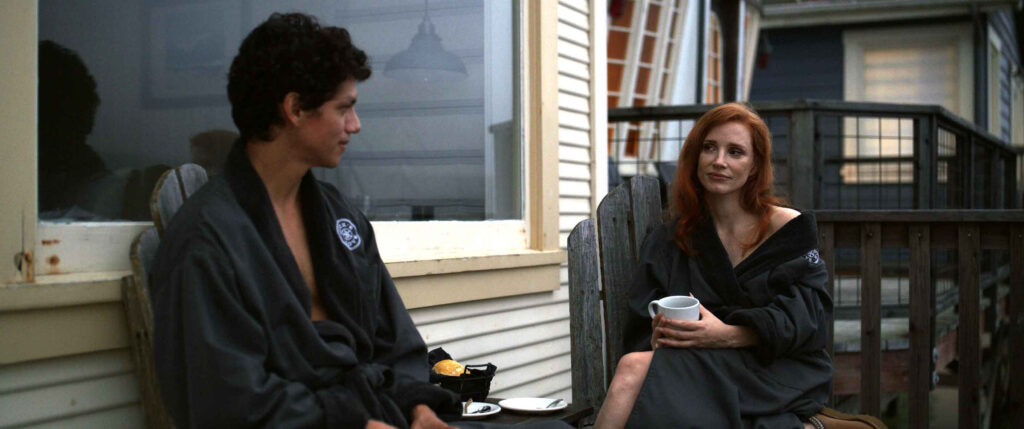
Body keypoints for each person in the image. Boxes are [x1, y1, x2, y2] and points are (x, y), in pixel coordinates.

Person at [150, 13, 463, 429]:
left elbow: (396, 342)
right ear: (295, 108)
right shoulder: (207, 240)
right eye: (344, 108)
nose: (356, 125)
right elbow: (228, 400)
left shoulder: (340, 219)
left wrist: (420, 411)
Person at [593, 103, 882, 428]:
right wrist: (659, 336)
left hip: (775, 367)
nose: (719, 161)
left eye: (735, 152)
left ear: (755, 165)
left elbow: (809, 319)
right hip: (695, 362)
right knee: (634, 365)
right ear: (695, 157)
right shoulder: (670, 240)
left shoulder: (787, 229)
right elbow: (641, 318)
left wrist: (728, 335)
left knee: (635, 370)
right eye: (709, 148)